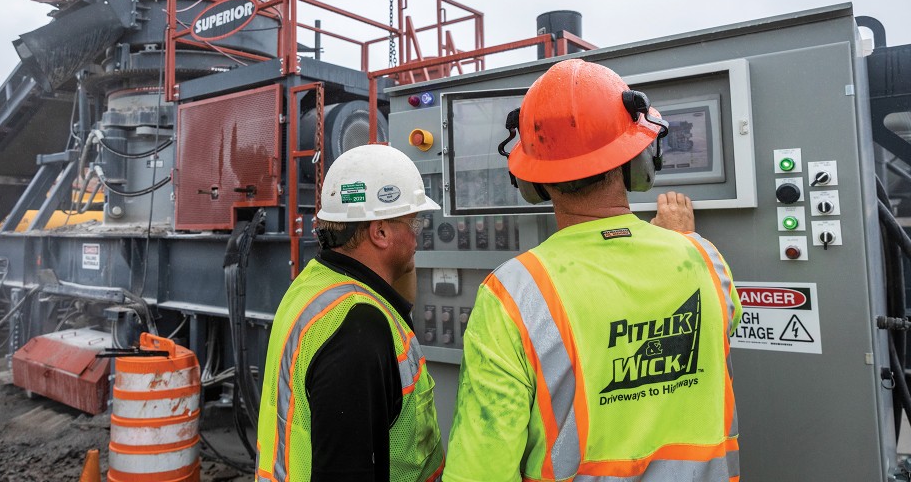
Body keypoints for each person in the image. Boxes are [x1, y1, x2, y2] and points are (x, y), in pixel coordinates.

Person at [444, 59, 743, 482]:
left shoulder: (512, 294)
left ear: (531, 181)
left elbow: (479, 471)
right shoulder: (705, 260)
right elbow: (720, 326)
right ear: (639, 163)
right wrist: (682, 241)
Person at [255, 143, 445, 482]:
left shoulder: (314, 284)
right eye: (412, 223)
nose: (417, 236)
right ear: (380, 232)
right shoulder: (358, 328)